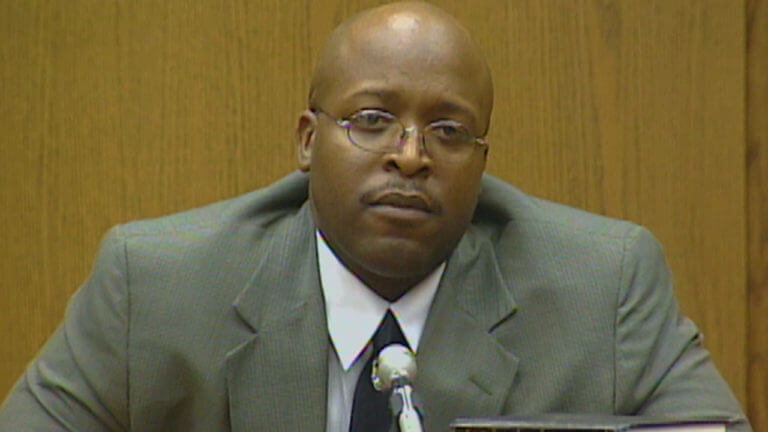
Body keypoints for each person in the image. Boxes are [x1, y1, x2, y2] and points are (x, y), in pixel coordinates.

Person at [0, 2, 751, 431]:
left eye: (449, 132)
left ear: (481, 163)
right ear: (306, 140)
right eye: (371, 120)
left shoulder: (605, 286)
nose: (411, 155)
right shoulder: (157, 287)